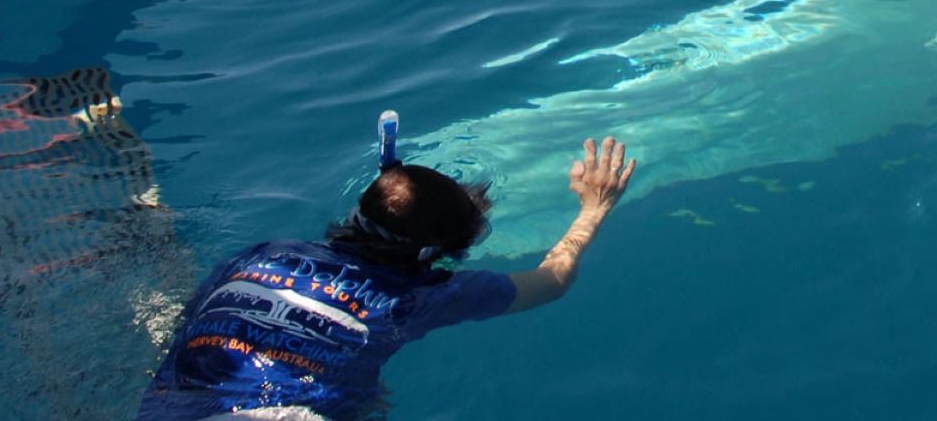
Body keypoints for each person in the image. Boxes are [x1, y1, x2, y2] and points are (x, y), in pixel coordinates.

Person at [137, 113, 637, 420]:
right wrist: (593, 208)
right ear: (428, 255)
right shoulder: (420, 298)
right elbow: (553, 281)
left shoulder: (262, 254)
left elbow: (194, 327)